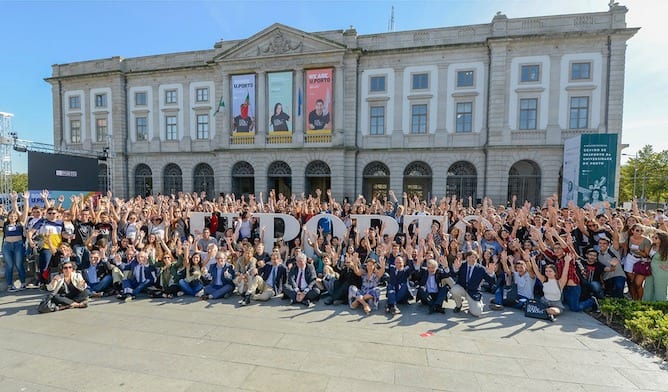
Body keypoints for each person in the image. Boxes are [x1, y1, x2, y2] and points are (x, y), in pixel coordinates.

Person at [450, 250, 497, 317]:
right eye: (469, 257)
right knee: (454, 290)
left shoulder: (481, 269)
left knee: (477, 313)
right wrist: (456, 269)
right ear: (466, 258)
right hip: (462, 288)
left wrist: (491, 273)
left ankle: (478, 301)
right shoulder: (462, 265)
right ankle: (458, 306)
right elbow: (453, 275)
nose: (471, 259)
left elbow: (492, 282)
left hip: (473, 292)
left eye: (473, 257)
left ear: (476, 258)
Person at [3, 191, 30, 291]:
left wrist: (25, 200)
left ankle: (23, 284)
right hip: (7, 246)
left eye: (14, 216)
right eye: (11, 216)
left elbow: (25, 212)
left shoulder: (20, 223)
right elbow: (14, 210)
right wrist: (13, 200)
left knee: (19, 265)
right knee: (9, 266)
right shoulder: (5, 224)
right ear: (8, 217)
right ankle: (10, 286)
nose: (13, 217)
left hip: (19, 245)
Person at [530, 257, 567, 321]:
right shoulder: (544, 280)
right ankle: (545, 313)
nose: (548, 273)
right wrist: (533, 260)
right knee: (530, 304)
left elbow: (565, 273)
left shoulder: (560, 282)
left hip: (556, 304)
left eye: (550, 271)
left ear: (555, 272)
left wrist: (567, 262)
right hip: (544, 302)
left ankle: (543, 312)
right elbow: (536, 271)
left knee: (552, 311)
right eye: (546, 271)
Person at [642, 231, 668, 301]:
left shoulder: (666, 249)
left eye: (656, 238)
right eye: (653, 237)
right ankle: (647, 305)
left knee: (660, 290)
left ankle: (661, 307)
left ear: (662, 239)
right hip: (650, 271)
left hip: (661, 272)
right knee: (648, 288)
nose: (653, 238)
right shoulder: (652, 246)